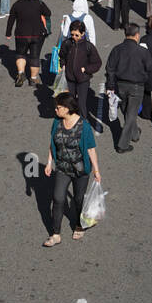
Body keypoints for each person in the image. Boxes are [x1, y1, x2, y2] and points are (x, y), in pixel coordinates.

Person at [43, 93, 101, 246]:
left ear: (67, 108)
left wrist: (96, 170)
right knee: (58, 198)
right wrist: (49, 162)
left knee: (78, 198)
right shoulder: (57, 123)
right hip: (62, 168)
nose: (55, 110)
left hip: (80, 170)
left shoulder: (84, 126)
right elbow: (52, 143)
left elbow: (91, 149)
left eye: (58, 107)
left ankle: (79, 225)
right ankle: (55, 234)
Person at [105, 23, 152, 153]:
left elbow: (110, 69)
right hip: (137, 86)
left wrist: (110, 85)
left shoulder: (117, 49)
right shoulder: (143, 52)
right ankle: (122, 145)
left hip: (120, 85)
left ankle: (135, 134)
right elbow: (150, 68)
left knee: (126, 110)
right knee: (131, 114)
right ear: (137, 35)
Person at [59, 19, 103, 131]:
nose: (74, 37)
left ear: (83, 33)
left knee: (82, 103)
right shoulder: (67, 43)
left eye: (77, 35)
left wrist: (86, 69)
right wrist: (63, 64)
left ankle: (83, 124)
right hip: (69, 78)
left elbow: (97, 63)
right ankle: (70, 122)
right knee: (70, 101)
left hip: (83, 79)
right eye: (72, 34)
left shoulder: (88, 47)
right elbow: (62, 56)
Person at [6, 0, 52, 87]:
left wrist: (8, 33)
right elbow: (48, 13)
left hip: (21, 35)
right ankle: (33, 78)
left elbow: (11, 20)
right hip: (37, 34)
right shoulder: (39, 3)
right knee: (34, 56)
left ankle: (21, 73)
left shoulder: (16, 5)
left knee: (20, 54)